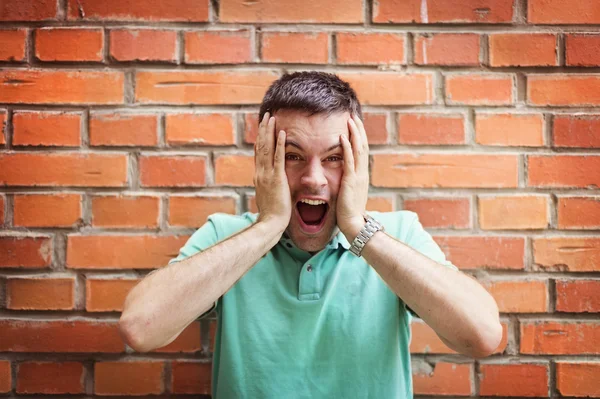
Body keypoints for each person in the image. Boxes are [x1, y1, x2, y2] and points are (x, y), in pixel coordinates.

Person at [118, 72, 502, 398]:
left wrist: (357, 229)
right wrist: (267, 227)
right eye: (292, 156)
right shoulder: (228, 236)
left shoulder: (398, 235)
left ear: (358, 163)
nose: (313, 179)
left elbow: (482, 336)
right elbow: (140, 328)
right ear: (264, 159)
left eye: (334, 158)